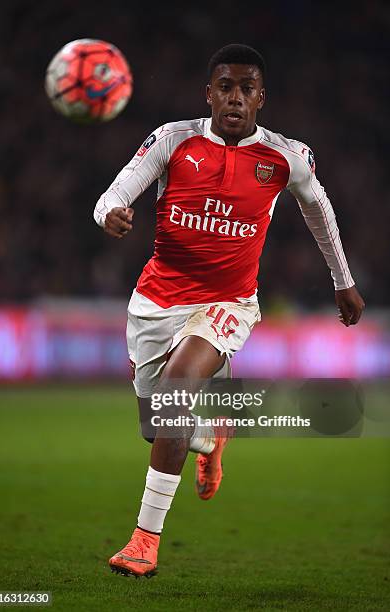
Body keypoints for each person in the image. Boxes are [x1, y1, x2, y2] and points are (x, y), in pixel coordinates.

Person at [93, 43, 365, 578]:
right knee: (158, 425)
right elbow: (114, 193)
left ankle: (144, 542)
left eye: (246, 89)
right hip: (156, 300)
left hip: (227, 302)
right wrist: (110, 215)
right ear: (209, 93)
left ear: (261, 98)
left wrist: (343, 281)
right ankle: (211, 435)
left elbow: (320, 211)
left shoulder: (285, 156)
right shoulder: (173, 140)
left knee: (175, 390)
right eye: (225, 87)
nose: (234, 98)